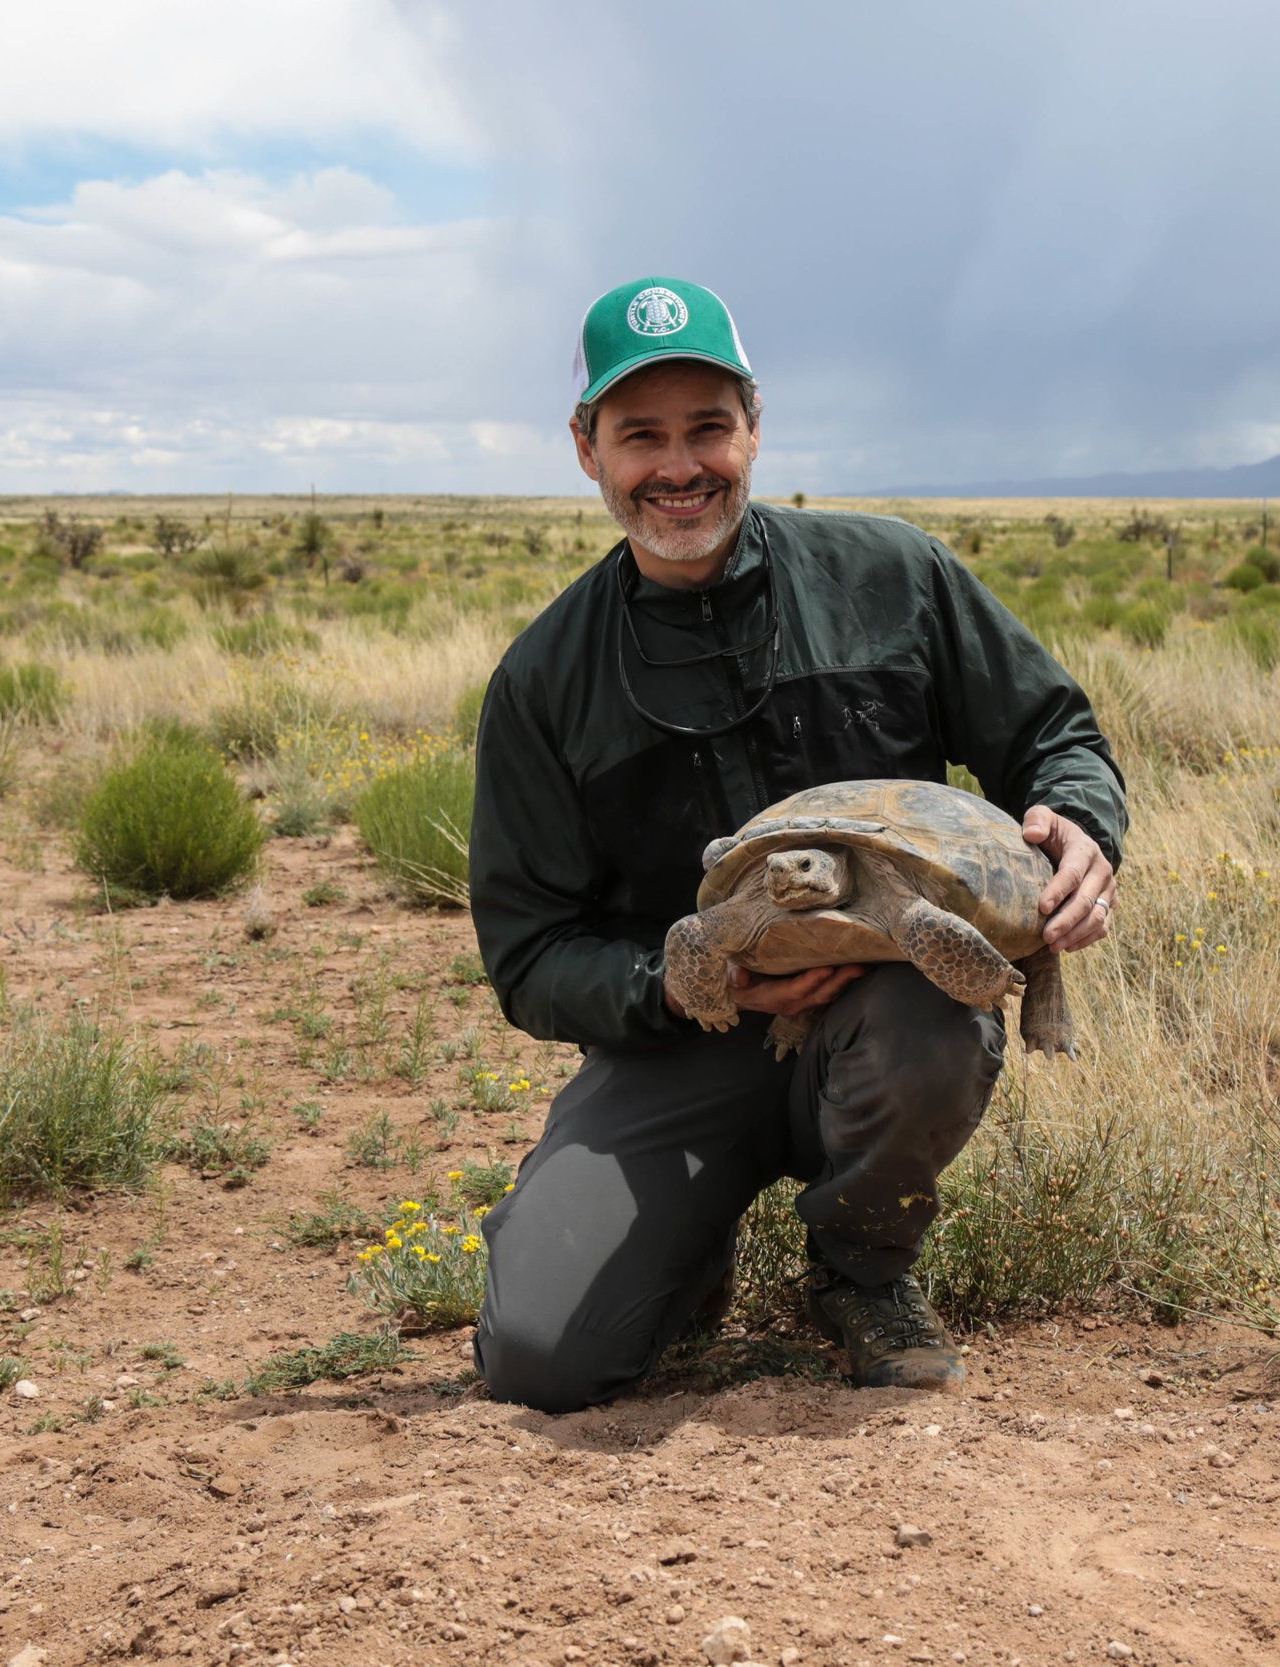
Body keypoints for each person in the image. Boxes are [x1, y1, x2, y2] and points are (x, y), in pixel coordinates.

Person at [467, 276, 1126, 1412]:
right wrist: (687, 983)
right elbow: (529, 956)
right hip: (682, 1040)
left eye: (709, 428)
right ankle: (674, 1247)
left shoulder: (892, 576)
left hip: (887, 1006)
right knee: (541, 1359)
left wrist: (1080, 821)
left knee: (940, 1014)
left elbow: (1050, 732)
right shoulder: (545, 680)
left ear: (754, 427)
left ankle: (863, 1272)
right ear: (587, 450)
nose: (681, 466)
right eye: (641, 436)